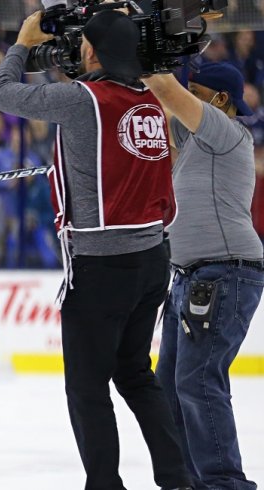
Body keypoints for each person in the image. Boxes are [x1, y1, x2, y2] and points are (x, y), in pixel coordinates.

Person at [0, 10, 192, 490]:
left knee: (86, 387)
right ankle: (177, 477)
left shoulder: (82, 101)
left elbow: (0, 92)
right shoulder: (148, 100)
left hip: (103, 264)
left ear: (92, 51)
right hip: (152, 258)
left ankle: (105, 483)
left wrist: (21, 43)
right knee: (136, 374)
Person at [144, 62, 263, 490]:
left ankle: (224, 484)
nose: (186, 98)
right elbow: (157, 105)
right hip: (191, 277)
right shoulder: (192, 138)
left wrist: (141, 56)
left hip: (224, 270)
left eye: (195, 92)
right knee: (172, 385)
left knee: (198, 381)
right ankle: (188, 482)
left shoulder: (224, 131)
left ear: (220, 100)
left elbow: (166, 91)